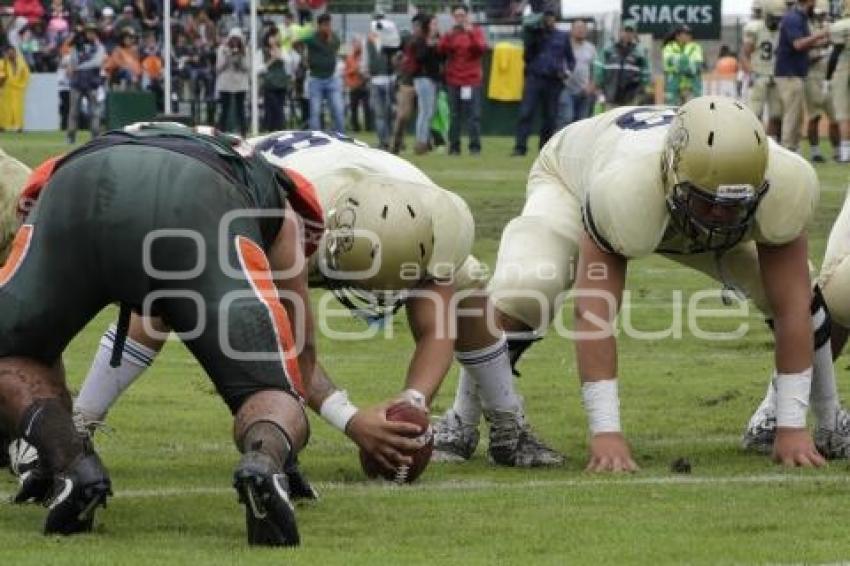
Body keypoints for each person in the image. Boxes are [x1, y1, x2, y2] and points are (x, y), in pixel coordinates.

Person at [0, 123, 422, 542]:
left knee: (15, 353)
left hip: (77, 183)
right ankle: (264, 464)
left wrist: (47, 433)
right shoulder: (283, 198)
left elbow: (36, 332)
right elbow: (299, 351)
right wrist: (287, 437)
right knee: (270, 391)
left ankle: (70, 462)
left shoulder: (96, 152)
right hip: (201, 202)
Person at [434, 97, 835, 471]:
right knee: (527, 288)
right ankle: (462, 421)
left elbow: (792, 308)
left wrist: (793, 427)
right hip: (573, 180)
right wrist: (606, 432)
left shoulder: (785, 181)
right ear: (673, 173)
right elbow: (595, 313)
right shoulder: (625, 188)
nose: (718, 218)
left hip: (674, 198)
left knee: (801, 288)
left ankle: (827, 418)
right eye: (709, 203)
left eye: (732, 205)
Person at [511, 8, 575, 157]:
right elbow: (526, 55)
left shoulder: (563, 36)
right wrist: (534, 36)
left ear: (555, 19)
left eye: (551, 17)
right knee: (526, 112)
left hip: (554, 80)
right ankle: (520, 147)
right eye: (546, 18)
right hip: (534, 78)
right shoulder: (535, 34)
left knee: (550, 116)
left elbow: (570, 59)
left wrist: (567, 72)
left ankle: (544, 148)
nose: (549, 20)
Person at [774, 0, 828, 151]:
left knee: (797, 115)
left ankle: (793, 149)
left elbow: (802, 44)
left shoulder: (799, 17)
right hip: (789, 73)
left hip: (795, 73)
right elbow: (798, 44)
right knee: (792, 115)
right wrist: (819, 35)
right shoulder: (793, 18)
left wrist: (822, 42)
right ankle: (787, 149)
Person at [438, 4, 487, 155]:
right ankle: (454, 147)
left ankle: (475, 147)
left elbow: (481, 49)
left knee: (473, 116)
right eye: (457, 15)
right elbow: (441, 50)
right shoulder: (451, 33)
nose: (460, 18)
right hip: (454, 80)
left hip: (471, 80)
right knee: (454, 115)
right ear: (453, 17)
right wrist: (447, 36)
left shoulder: (476, 31)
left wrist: (470, 33)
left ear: (467, 16)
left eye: (462, 15)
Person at [741, 0, 784, 140]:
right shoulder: (755, 28)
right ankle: (755, 142)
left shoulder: (783, 29)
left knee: (776, 114)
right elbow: (745, 54)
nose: (776, 21)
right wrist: (750, 73)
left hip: (777, 75)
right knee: (754, 114)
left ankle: (772, 144)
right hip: (759, 75)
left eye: (779, 18)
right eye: (774, 17)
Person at [803, 0, 839, 163]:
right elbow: (804, 54)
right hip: (813, 76)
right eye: (819, 14)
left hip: (831, 77)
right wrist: (823, 50)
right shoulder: (806, 27)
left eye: (823, 14)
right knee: (815, 116)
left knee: (836, 117)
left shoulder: (833, 27)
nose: (822, 17)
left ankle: (838, 151)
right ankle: (815, 151)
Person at [298, 13, 344, 133]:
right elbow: (297, 42)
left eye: (329, 25)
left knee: (338, 109)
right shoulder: (312, 37)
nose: (327, 27)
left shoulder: (334, 37)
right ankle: (316, 137)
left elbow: (336, 46)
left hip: (332, 79)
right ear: (319, 26)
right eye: (325, 25)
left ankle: (341, 136)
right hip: (316, 79)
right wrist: (303, 57)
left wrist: (329, 39)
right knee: (315, 111)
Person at [593, 19, 649, 108]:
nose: (627, 34)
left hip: (631, 98)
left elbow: (646, 74)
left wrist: (642, 92)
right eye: (625, 31)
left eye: (631, 32)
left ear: (634, 34)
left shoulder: (640, 53)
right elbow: (599, 70)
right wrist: (598, 88)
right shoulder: (608, 50)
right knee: (610, 120)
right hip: (610, 96)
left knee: (629, 121)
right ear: (620, 31)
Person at [66, 21, 105, 144]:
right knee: (73, 112)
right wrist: (76, 66)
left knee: (94, 112)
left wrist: (78, 67)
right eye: (88, 32)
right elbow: (72, 61)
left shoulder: (99, 47)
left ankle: (95, 137)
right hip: (77, 83)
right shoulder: (77, 46)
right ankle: (70, 137)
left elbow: (97, 62)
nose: (91, 34)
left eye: (93, 32)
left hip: (92, 83)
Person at [557, 18, 596, 128]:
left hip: (584, 90)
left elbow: (595, 69)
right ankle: (563, 144)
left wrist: (591, 85)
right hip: (566, 88)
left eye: (583, 28)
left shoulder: (591, 48)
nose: (581, 31)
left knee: (582, 123)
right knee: (566, 118)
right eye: (578, 28)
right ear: (571, 30)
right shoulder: (563, 45)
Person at [412, 14, 441, 154]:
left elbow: (441, 57)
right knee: (425, 111)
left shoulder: (436, 39)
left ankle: (425, 140)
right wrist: (430, 46)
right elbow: (419, 57)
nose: (436, 26)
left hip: (433, 78)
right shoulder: (421, 40)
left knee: (429, 111)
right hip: (423, 78)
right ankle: (421, 142)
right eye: (433, 23)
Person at [216, 27, 250, 136]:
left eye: (237, 39)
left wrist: (239, 58)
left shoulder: (245, 50)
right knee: (224, 109)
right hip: (225, 83)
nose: (235, 42)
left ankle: (243, 133)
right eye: (233, 39)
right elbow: (218, 68)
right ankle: (221, 133)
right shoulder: (222, 49)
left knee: (241, 109)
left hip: (240, 83)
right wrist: (228, 57)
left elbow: (247, 67)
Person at [662, 24, 704, 106]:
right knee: (673, 113)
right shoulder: (669, 47)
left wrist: (679, 63)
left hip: (691, 87)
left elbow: (696, 66)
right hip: (673, 87)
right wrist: (687, 63)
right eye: (685, 34)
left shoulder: (695, 47)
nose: (688, 36)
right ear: (677, 36)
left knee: (692, 112)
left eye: (689, 34)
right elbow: (668, 62)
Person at [260, 26, 290, 131]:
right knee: (273, 109)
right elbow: (259, 69)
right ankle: (273, 129)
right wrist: (272, 60)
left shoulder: (282, 50)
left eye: (277, 36)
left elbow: (289, 62)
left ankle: (278, 130)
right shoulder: (262, 51)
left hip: (281, 84)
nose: (275, 38)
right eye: (273, 36)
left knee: (279, 108)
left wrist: (279, 54)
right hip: (269, 85)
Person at [0, 44, 29, 132]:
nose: (11, 54)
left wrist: (21, 85)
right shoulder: (2, 62)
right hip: (6, 89)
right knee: (4, 108)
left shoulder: (21, 62)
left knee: (18, 108)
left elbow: (26, 75)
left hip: (18, 90)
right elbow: (1, 75)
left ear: (15, 52)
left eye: (12, 52)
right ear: (6, 53)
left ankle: (18, 126)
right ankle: (2, 126)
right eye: (9, 53)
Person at [343, 36, 370, 132]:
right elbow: (346, 72)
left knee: (367, 106)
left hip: (364, 85)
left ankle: (368, 127)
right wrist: (355, 70)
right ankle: (355, 127)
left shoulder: (365, 57)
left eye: (359, 44)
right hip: (354, 86)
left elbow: (368, 70)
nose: (358, 46)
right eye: (356, 44)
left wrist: (365, 74)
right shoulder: (349, 58)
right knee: (353, 108)